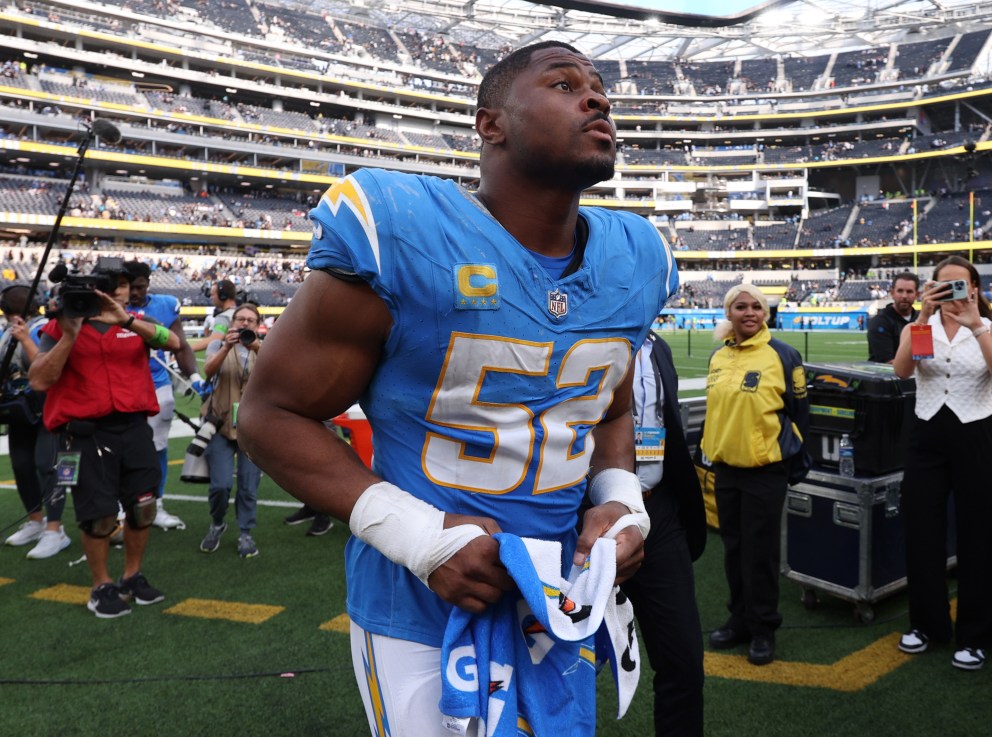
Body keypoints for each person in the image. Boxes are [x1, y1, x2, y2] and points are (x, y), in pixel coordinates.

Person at [238, 41, 675, 736]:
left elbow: (609, 404)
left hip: (556, 599)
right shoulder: (406, 227)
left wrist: (620, 502)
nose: (597, 99)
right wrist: (419, 537)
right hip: (418, 605)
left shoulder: (637, 255)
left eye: (599, 88)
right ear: (489, 125)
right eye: (564, 84)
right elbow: (268, 414)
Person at [28, 259, 180, 618]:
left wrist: (126, 320)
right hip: (85, 436)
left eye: (123, 284)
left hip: (134, 429)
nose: (116, 290)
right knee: (98, 516)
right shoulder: (58, 327)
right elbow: (39, 379)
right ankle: (101, 586)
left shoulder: (138, 325)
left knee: (143, 507)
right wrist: (70, 334)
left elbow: (173, 342)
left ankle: (132, 575)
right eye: (108, 284)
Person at [892, 255, 992, 671]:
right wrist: (923, 316)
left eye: (957, 286)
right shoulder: (920, 326)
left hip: (976, 434)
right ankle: (927, 624)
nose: (949, 293)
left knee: (981, 533)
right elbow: (902, 370)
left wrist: (976, 325)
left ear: (975, 289)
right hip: (927, 434)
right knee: (922, 529)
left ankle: (976, 634)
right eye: (941, 286)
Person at [701, 283, 810, 666]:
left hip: (765, 471)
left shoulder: (783, 355)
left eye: (757, 307)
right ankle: (740, 619)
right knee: (733, 549)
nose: (750, 313)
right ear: (728, 314)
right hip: (726, 469)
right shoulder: (718, 357)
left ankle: (763, 627)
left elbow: (800, 413)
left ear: (765, 314)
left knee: (760, 554)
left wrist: (790, 459)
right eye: (741, 307)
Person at [620, 330, 706, 737]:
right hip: (582, 517)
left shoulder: (659, 347)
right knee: (563, 658)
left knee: (683, 660)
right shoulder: (573, 334)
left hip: (658, 511)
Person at [126, 260, 202, 530]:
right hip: (121, 385)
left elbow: (180, 346)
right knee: (121, 448)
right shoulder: (111, 305)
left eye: (140, 287)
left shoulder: (165, 304)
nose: (135, 294)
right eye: (130, 288)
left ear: (148, 283)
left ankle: (155, 504)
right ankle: (120, 507)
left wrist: (194, 377)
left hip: (157, 383)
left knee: (157, 446)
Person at [0, 284, 70, 559]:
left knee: (48, 464)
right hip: (18, 408)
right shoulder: (6, 332)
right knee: (22, 464)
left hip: (49, 406)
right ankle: (34, 521)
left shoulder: (46, 328)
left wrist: (25, 337)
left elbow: (44, 366)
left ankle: (55, 530)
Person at [198, 303, 263, 558]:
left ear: (258, 325)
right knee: (220, 486)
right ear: (233, 322)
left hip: (252, 428)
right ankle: (217, 523)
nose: (245, 324)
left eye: (250, 320)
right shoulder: (218, 345)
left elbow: (279, 373)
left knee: (248, 485)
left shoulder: (264, 348)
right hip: (220, 424)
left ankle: (246, 531)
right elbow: (208, 371)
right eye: (240, 319)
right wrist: (226, 346)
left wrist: (257, 346)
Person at [867, 272, 920, 363]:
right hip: (887, 375)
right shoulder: (880, 321)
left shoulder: (920, 319)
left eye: (909, 291)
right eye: (900, 291)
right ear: (892, 293)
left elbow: (923, 355)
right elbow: (887, 362)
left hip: (917, 376)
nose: (904, 296)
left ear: (917, 295)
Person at [190, 280, 237, 353]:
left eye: (213, 294)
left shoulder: (224, 317)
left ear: (222, 296)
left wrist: (187, 350)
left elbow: (214, 339)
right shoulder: (242, 313)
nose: (211, 298)